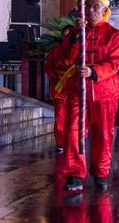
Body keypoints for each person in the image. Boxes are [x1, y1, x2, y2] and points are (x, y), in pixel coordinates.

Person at [56, 0, 119, 192]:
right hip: (77, 89)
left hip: (104, 90)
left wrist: (94, 72)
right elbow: (66, 59)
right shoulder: (75, 32)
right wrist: (76, 36)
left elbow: (115, 63)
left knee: (103, 133)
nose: (91, 11)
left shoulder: (115, 35)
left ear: (105, 12)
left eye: (96, 7)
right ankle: (75, 174)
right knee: (72, 131)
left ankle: (101, 172)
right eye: (88, 7)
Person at [43, 25, 73, 153]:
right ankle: (60, 142)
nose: (66, 38)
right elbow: (48, 67)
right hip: (60, 87)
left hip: (74, 88)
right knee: (60, 116)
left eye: (69, 35)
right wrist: (55, 77)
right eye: (64, 35)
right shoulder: (55, 50)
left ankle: (73, 141)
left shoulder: (79, 49)